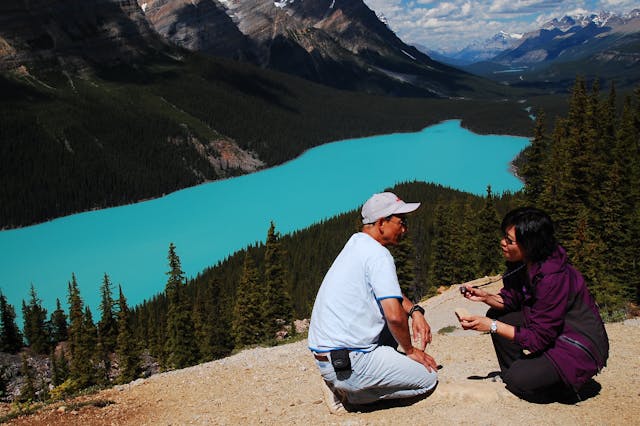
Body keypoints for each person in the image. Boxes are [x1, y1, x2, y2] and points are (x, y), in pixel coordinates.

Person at [458, 206, 609, 403]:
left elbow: (539, 338)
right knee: (499, 316)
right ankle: (529, 374)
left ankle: (564, 386)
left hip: (578, 344)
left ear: (529, 244)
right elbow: (512, 300)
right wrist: (485, 296)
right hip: (556, 332)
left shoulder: (552, 277)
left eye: (510, 241)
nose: (502, 243)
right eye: (504, 236)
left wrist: (491, 326)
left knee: (516, 377)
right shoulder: (525, 262)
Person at [307, 192, 438, 414]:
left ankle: (345, 382)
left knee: (389, 322)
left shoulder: (357, 244)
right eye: (401, 221)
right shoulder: (378, 255)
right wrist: (410, 351)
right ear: (381, 223)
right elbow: (395, 316)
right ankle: (350, 394)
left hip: (330, 357)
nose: (404, 228)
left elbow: (391, 294)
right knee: (428, 379)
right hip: (351, 360)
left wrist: (415, 311)